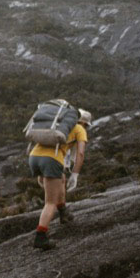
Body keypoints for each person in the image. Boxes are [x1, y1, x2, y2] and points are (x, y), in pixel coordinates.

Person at [28, 107, 92, 250]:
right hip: (50, 160)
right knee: (50, 202)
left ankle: (64, 212)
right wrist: (75, 174)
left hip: (34, 157)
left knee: (61, 178)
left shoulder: (57, 125)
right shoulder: (79, 129)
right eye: (87, 125)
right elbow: (80, 154)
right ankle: (41, 236)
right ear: (85, 123)